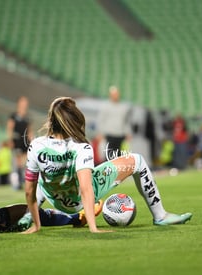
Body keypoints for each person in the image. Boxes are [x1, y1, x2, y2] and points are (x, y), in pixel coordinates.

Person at [23, 97, 192, 234]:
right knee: (137, 161)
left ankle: (27, 217)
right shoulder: (81, 146)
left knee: (44, 177)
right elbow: (86, 188)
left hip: (53, 198)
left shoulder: (36, 145)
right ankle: (160, 216)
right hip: (78, 202)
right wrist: (93, 228)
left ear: (51, 120)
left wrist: (36, 224)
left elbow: (29, 190)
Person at [95, 86, 132, 158]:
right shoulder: (105, 106)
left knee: (120, 156)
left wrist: (128, 132)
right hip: (109, 135)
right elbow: (100, 120)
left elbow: (126, 121)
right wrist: (100, 132)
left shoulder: (123, 107)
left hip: (120, 134)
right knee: (109, 155)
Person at [6, 96, 33, 189]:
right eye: (22, 102)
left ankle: (25, 181)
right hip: (16, 140)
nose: (24, 105)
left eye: (25, 103)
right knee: (17, 162)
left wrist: (32, 141)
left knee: (25, 162)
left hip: (25, 141)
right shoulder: (13, 116)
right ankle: (16, 183)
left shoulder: (27, 117)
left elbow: (29, 131)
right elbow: (10, 128)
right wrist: (10, 140)